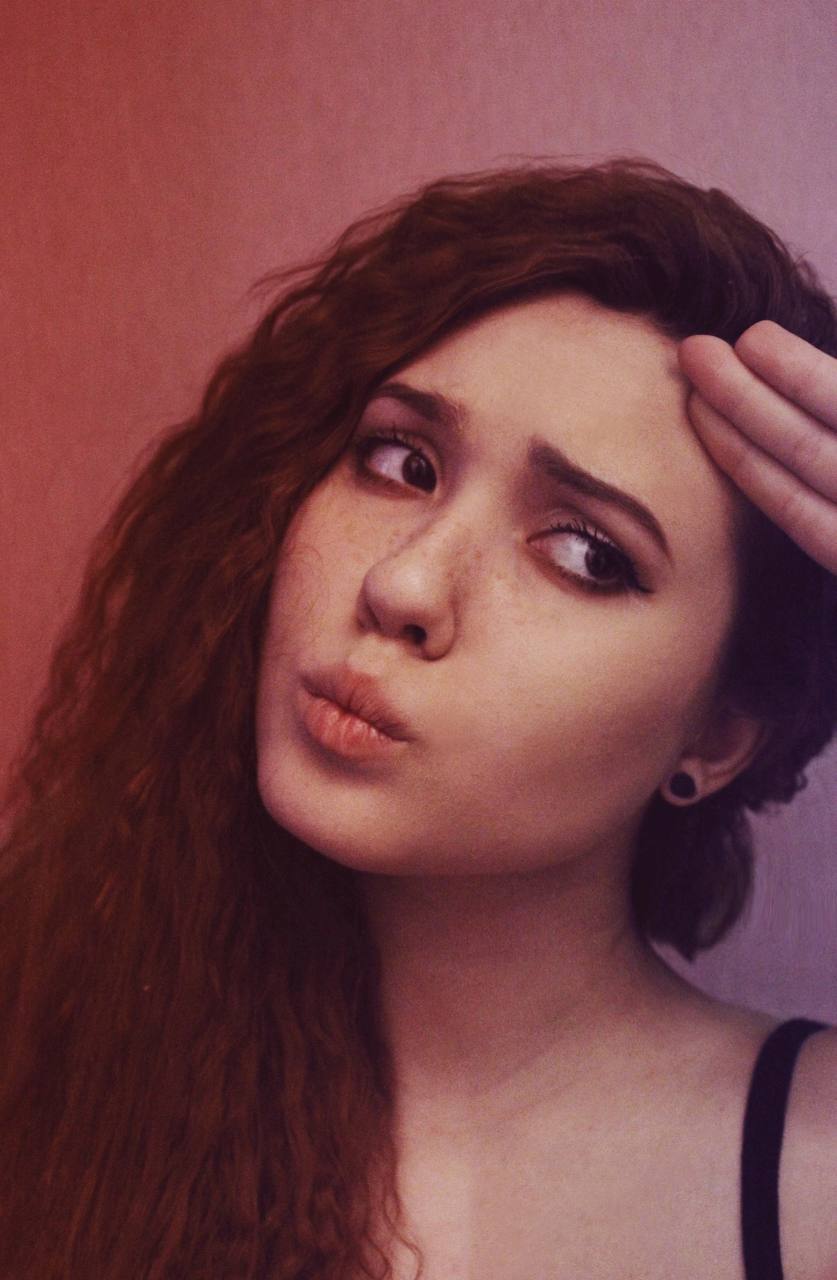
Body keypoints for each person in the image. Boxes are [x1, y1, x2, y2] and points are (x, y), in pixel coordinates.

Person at [0, 159, 835, 1280]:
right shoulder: (35, 1047)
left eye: (585, 553)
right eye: (401, 463)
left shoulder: (814, 1178)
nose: (401, 584)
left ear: (717, 736)